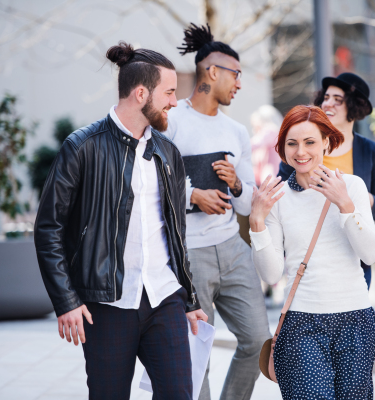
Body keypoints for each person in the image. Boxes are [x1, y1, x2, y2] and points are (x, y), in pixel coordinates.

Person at [34, 42, 207, 400]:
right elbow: (49, 228)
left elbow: (176, 235)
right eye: (170, 92)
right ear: (141, 93)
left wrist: (189, 300)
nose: (175, 102)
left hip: (164, 298)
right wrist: (66, 300)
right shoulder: (82, 147)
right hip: (106, 305)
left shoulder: (168, 152)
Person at [164, 23, 271, 400]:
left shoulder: (237, 132)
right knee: (198, 352)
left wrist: (238, 185)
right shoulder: (172, 122)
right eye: (236, 74)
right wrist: (194, 195)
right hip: (189, 254)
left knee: (259, 341)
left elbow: (244, 201)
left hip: (233, 247)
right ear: (212, 71)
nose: (239, 84)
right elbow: (152, 185)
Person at [250, 105, 375, 399]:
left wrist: (344, 204)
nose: (301, 151)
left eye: (310, 142)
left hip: (355, 320)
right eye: (292, 143)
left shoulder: (352, 186)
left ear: (326, 141)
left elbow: (370, 255)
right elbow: (271, 274)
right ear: (282, 148)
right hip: (302, 324)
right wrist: (257, 222)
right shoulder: (278, 197)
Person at [278, 72, 375, 288]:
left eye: (338, 100)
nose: (328, 104)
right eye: (326, 97)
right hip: (307, 260)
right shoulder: (300, 151)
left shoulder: (371, 151)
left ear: (355, 106)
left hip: (354, 260)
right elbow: (281, 195)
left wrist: (355, 196)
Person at [250, 105, 283, 187]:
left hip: (272, 180)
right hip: (269, 180)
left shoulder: (270, 131)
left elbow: (253, 145)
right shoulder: (276, 133)